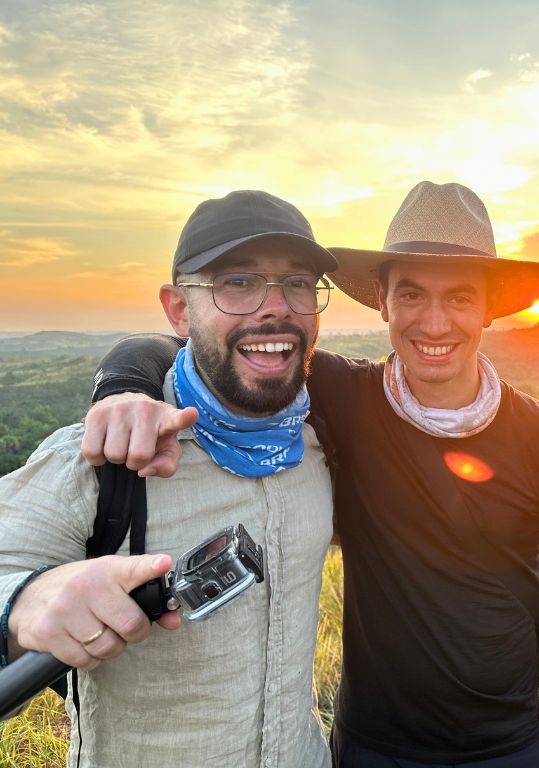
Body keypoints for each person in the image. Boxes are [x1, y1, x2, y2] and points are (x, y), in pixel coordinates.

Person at [86, 181, 539, 767]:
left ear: (489, 309)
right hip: (376, 746)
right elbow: (193, 344)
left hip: (512, 740)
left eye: (461, 298)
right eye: (412, 295)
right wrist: (122, 389)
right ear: (383, 303)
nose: (435, 323)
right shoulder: (344, 396)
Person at [0, 190, 338, 767]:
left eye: (299, 283)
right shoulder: (106, 457)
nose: (276, 307)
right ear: (179, 309)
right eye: (237, 282)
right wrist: (24, 601)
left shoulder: (322, 441)